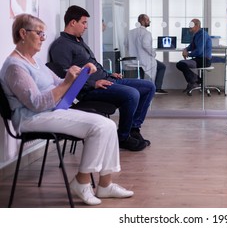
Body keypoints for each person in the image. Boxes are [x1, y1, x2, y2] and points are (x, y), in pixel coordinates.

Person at [0, 14, 133, 206]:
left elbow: (60, 84)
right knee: (100, 127)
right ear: (23, 33)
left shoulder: (33, 62)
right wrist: (68, 82)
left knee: (109, 125)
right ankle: (82, 181)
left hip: (50, 111)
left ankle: (105, 185)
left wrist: (80, 73)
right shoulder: (14, 66)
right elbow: (36, 103)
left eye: (43, 34)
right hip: (31, 118)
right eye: (39, 33)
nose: (43, 38)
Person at [49, 5, 155, 152]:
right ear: (73, 22)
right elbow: (65, 77)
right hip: (90, 90)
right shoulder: (61, 46)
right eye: (84, 23)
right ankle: (123, 137)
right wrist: (93, 83)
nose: (86, 27)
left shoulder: (78, 41)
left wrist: (109, 73)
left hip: (106, 79)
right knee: (132, 94)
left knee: (148, 86)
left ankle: (133, 129)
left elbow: (94, 64)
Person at [125, 14, 167, 94]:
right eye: (148, 20)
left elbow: (126, 44)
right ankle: (156, 88)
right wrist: (153, 53)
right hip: (144, 60)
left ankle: (144, 89)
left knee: (141, 69)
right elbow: (145, 45)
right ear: (142, 21)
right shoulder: (146, 33)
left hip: (133, 60)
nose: (149, 21)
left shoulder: (130, 33)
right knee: (162, 66)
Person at [176, 18, 212, 93]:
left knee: (181, 64)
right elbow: (191, 46)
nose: (189, 27)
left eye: (191, 25)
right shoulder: (196, 35)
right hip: (198, 59)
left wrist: (188, 54)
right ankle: (197, 80)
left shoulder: (202, 35)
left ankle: (195, 81)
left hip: (204, 60)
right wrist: (185, 49)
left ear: (197, 26)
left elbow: (199, 51)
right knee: (180, 64)